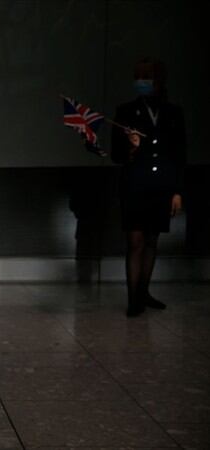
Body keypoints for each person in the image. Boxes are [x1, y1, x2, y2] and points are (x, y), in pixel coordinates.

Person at [111, 58, 186, 317]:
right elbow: (116, 155)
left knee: (152, 240)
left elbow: (179, 154)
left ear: (159, 80)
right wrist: (131, 148)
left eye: (147, 77)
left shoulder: (173, 113)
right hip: (134, 186)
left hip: (162, 185)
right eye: (138, 77)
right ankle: (134, 299)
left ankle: (144, 291)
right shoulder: (125, 112)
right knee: (135, 241)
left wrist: (177, 191)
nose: (141, 82)